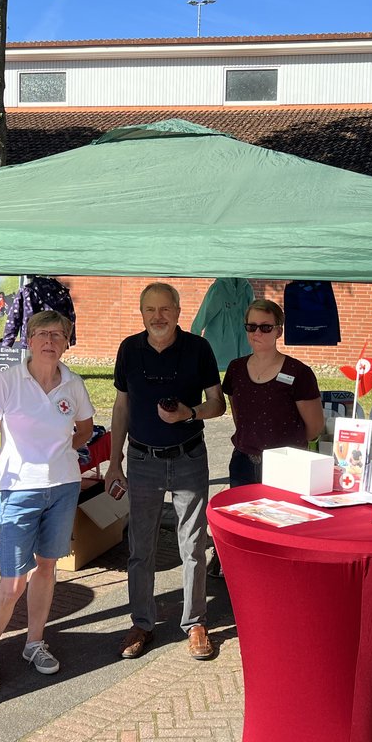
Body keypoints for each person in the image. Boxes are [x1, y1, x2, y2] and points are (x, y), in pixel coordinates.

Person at [0, 310, 94, 695]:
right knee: (11, 583)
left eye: (58, 334)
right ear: (29, 338)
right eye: (42, 333)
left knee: (46, 570)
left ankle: (34, 643)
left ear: (66, 341)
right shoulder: (7, 382)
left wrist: (59, 451)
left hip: (63, 487)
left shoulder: (73, 383)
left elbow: (86, 429)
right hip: (17, 492)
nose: (49, 341)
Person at [105, 283, 225, 661]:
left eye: (165, 309)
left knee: (192, 544)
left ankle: (195, 623)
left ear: (178, 310)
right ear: (142, 313)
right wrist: (113, 461)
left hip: (189, 456)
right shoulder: (129, 348)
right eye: (150, 310)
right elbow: (121, 407)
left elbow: (217, 404)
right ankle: (142, 622)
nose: (158, 317)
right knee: (140, 547)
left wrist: (188, 413)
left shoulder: (198, 349)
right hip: (142, 460)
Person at [210, 299, 323, 576]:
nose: (257, 333)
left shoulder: (298, 373)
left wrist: (287, 448)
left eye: (265, 327)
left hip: (286, 467)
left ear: (279, 331)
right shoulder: (236, 369)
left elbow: (315, 426)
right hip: (244, 462)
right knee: (244, 527)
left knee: (282, 531)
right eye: (251, 326)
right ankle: (241, 577)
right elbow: (239, 414)